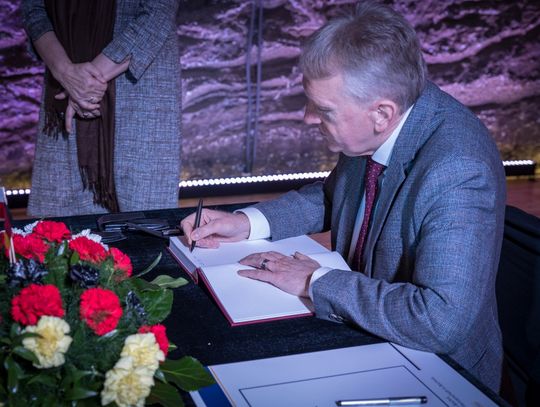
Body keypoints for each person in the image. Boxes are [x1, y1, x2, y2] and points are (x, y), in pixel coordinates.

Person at [181, 0, 506, 393]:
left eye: (324, 110)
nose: (307, 118)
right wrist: (246, 222)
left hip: (437, 370)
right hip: (365, 329)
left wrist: (313, 280)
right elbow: (335, 196)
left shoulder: (458, 169)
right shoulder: (376, 119)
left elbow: (439, 321)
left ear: (382, 114)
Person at [21, 0, 182, 216]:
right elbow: (33, 9)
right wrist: (65, 72)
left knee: (144, 219)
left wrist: (84, 82)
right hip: (62, 85)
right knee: (62, 223)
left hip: (139, 88)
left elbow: (159, 9)